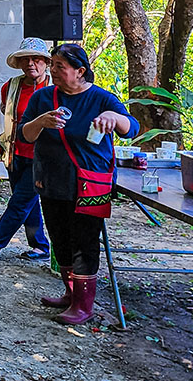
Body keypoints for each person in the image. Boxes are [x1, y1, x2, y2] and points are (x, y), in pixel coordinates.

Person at [20, 43, 139, 325]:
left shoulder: (101, 98)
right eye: (53, 66)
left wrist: (116, 118)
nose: (53, 71)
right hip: (51, 181)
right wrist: (41, 122)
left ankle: (84, 305)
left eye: (60, 67)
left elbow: (131, 128)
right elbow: (25, 134)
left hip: (91, 184)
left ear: (80, 71)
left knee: (84, 243)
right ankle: (71, 294)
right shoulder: (43, 97)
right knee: (60, 240)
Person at [0, 38, 52, 261]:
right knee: (27, 202)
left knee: (19, 202)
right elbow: (7, 113)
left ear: (46, 62)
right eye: (25, 59)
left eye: (36, 59)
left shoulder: (54, 89)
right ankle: (41, 246)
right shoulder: (11, 86)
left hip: (43, 158)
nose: (31, 64)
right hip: (15, 153)